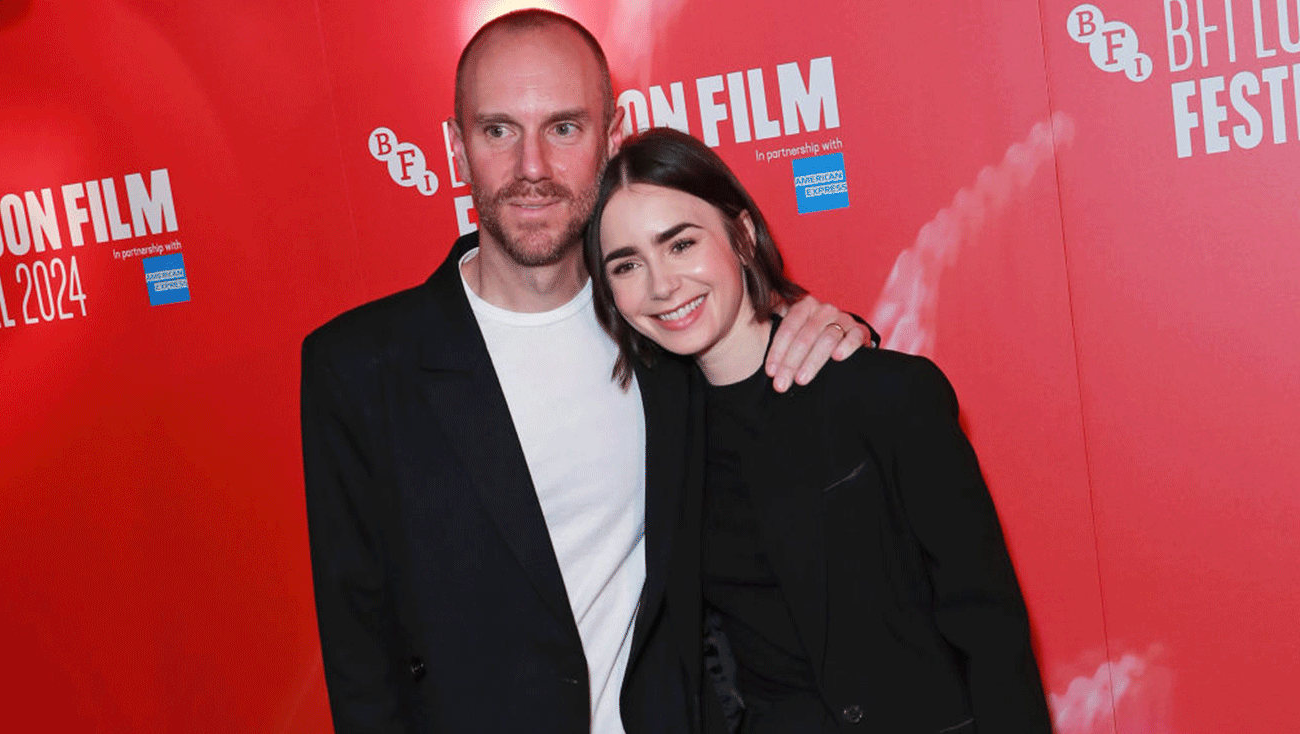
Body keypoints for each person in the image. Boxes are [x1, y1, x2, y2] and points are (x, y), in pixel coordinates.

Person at [300, 10, 874, 734]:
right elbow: (362, 658)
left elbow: (772, 351)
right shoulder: (358, 368)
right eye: (498, 130)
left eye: (564, 128)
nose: (531, 168)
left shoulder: (665, 322)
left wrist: (843, 333)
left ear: (611, 135)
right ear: (455, 148)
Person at [583, 127, 1053, 733]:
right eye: (627, 264)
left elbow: (990, 630)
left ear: (743, 236)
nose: (661, 285)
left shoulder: (884, 395)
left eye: (681, 244)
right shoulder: (655, 437)